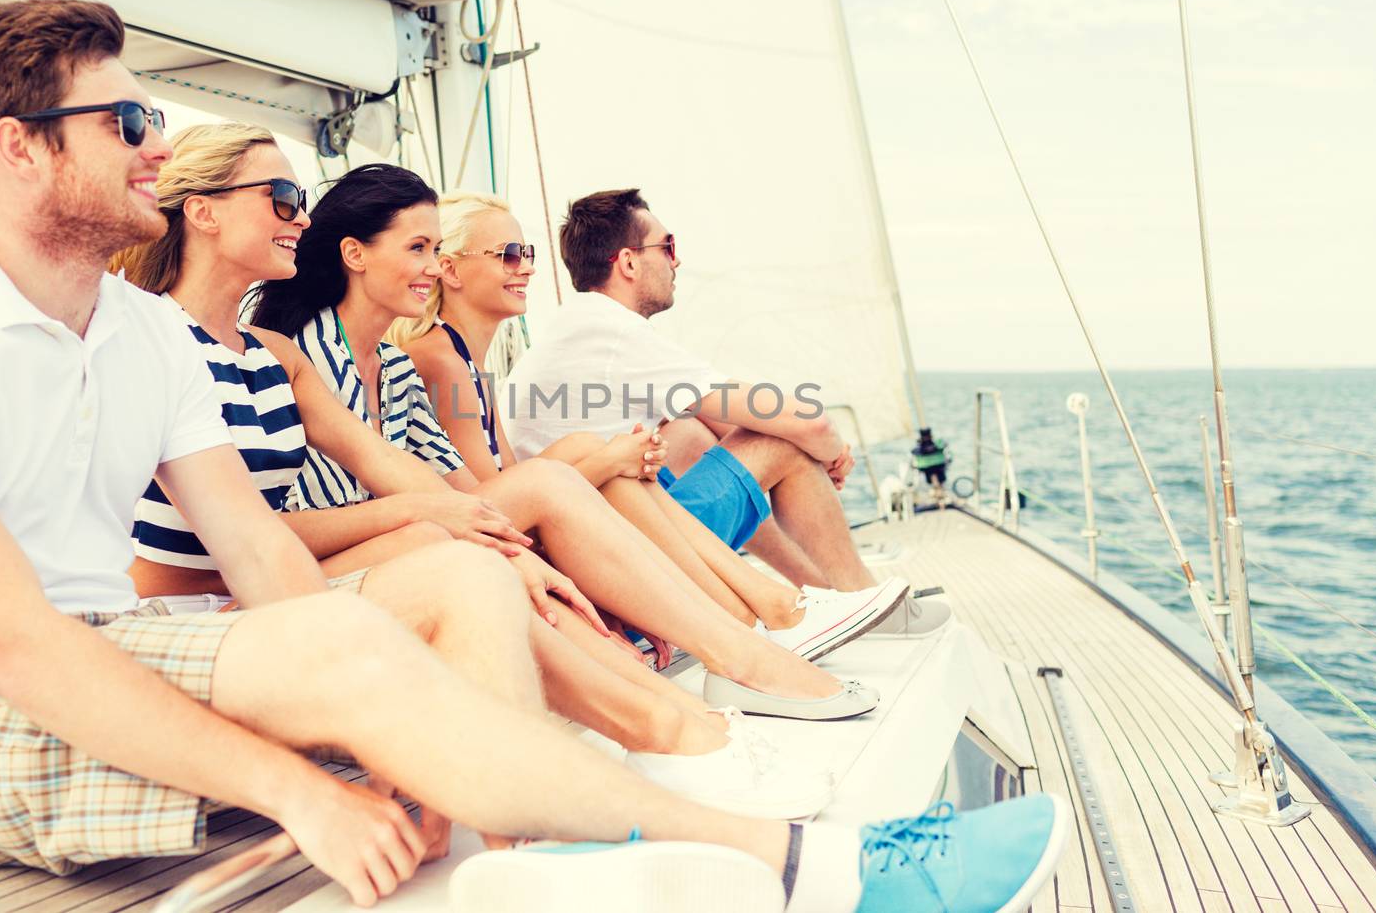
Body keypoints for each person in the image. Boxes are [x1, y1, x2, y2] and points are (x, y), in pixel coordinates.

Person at [0, 0, 1066, 913]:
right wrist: (305, 780)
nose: (153, 141)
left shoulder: (141, 335)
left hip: (115, 648)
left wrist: (372, 687)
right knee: (381, 620)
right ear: (17, 146)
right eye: (126, 116)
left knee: (455, 579)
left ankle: (520, 866)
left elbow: (261, 556)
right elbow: (13, 646)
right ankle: (802, 862)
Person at [110, 122, 834, 818]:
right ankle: (673, 719)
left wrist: (490, 534)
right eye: (283, 200)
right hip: (198, 615)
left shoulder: (273, 353)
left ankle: (695, 704)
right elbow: (244, 534)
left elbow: (395, 470)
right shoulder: (153, 340)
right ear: (201, 212)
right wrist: (439, 520)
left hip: (273, 587)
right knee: (454, 537)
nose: (301, 220)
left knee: (488, 525)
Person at [247, 164, 889, 720]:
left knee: (612, 458)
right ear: (356, 254)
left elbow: (475, 497)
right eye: (420, 250)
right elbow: (280, 527)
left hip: (429, 541)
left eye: (436, 250)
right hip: (339, 570)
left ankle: (767, 618)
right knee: (604, 465)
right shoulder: (316, 358)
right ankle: (773, 620)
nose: (431, 267)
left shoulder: (393, 369)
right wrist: (595, 462)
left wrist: (585, 469)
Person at [393, 192, 902, 660]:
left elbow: (705, 411)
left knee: (672, 437)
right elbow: (491, 502)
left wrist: (605, 455)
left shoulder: (478, 361)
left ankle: (793, 603)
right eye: (508, 255)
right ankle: (829, 601)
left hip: (582, 529)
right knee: (753, 446)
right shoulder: (453, 361)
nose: (525, 267)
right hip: (570, 544)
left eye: (527, 253)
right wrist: (826, 445)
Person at [505, 188, 951, 636]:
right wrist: (831, 450)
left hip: (584, 549)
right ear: (628, 262)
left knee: (690, 435)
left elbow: (724, 412)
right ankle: (864, 602)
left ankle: (821, 596)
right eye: (668, 247)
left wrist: (810, 437)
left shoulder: (578, 327)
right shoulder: (616, 335)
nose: (676, 262)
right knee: (779, 442)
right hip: (614, 576)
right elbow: (804, 420)